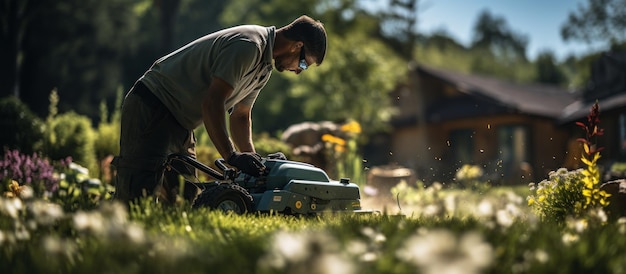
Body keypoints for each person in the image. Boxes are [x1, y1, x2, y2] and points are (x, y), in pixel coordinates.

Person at [112, 15, 327, 205]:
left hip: (181, 122)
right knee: (136, 200)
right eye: (305, 64)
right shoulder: (249, 45)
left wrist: (256, 165)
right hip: (153, 104)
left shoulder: (263, 69)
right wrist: (231, 156)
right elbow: (213, 103)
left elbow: (241, 115)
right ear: (297, 46)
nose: (299, 72)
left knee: (184, 201)